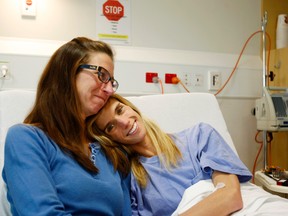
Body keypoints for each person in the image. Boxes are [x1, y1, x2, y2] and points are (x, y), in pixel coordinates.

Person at [2, 37, 131, 216]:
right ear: (68, 73)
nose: (109, 89)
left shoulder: (111, 151)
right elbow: (41, 213)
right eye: (102, 75)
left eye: (111, 82)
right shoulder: (27, 139)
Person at [87, 94, 253, 216]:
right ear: (109, 138)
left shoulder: (199, 137)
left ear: (131, 107)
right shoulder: (133, 182)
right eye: (111, 126)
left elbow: (231, 196)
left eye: (120, 110)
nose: (124, 122)